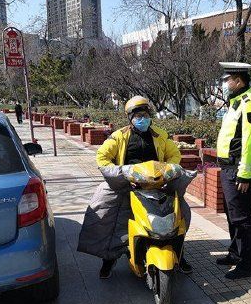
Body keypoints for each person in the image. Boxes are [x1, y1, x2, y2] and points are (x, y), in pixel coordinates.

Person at [77, 96, 193, 279]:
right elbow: (102, 157)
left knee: (181, 212)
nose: (142, 119)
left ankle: (179, 253)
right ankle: (108, 257)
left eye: (145, 114)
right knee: (102, 208)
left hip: (158, 184)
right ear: (130, 117)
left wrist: (168, 170)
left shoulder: (160, 135)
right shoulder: (119, 136)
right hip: (127, 184)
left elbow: (174, 154)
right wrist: (121, 172)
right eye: (138, 115)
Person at [215, 62, 251, 280]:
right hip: (228, 168)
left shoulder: (250, 102)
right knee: (232, 215)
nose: (225, 84)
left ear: (238, 81)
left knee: (243, 219)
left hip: (239, 170)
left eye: (227, 80)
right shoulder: (235, 103)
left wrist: (245, 173)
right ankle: (236, 254)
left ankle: (247, 265)